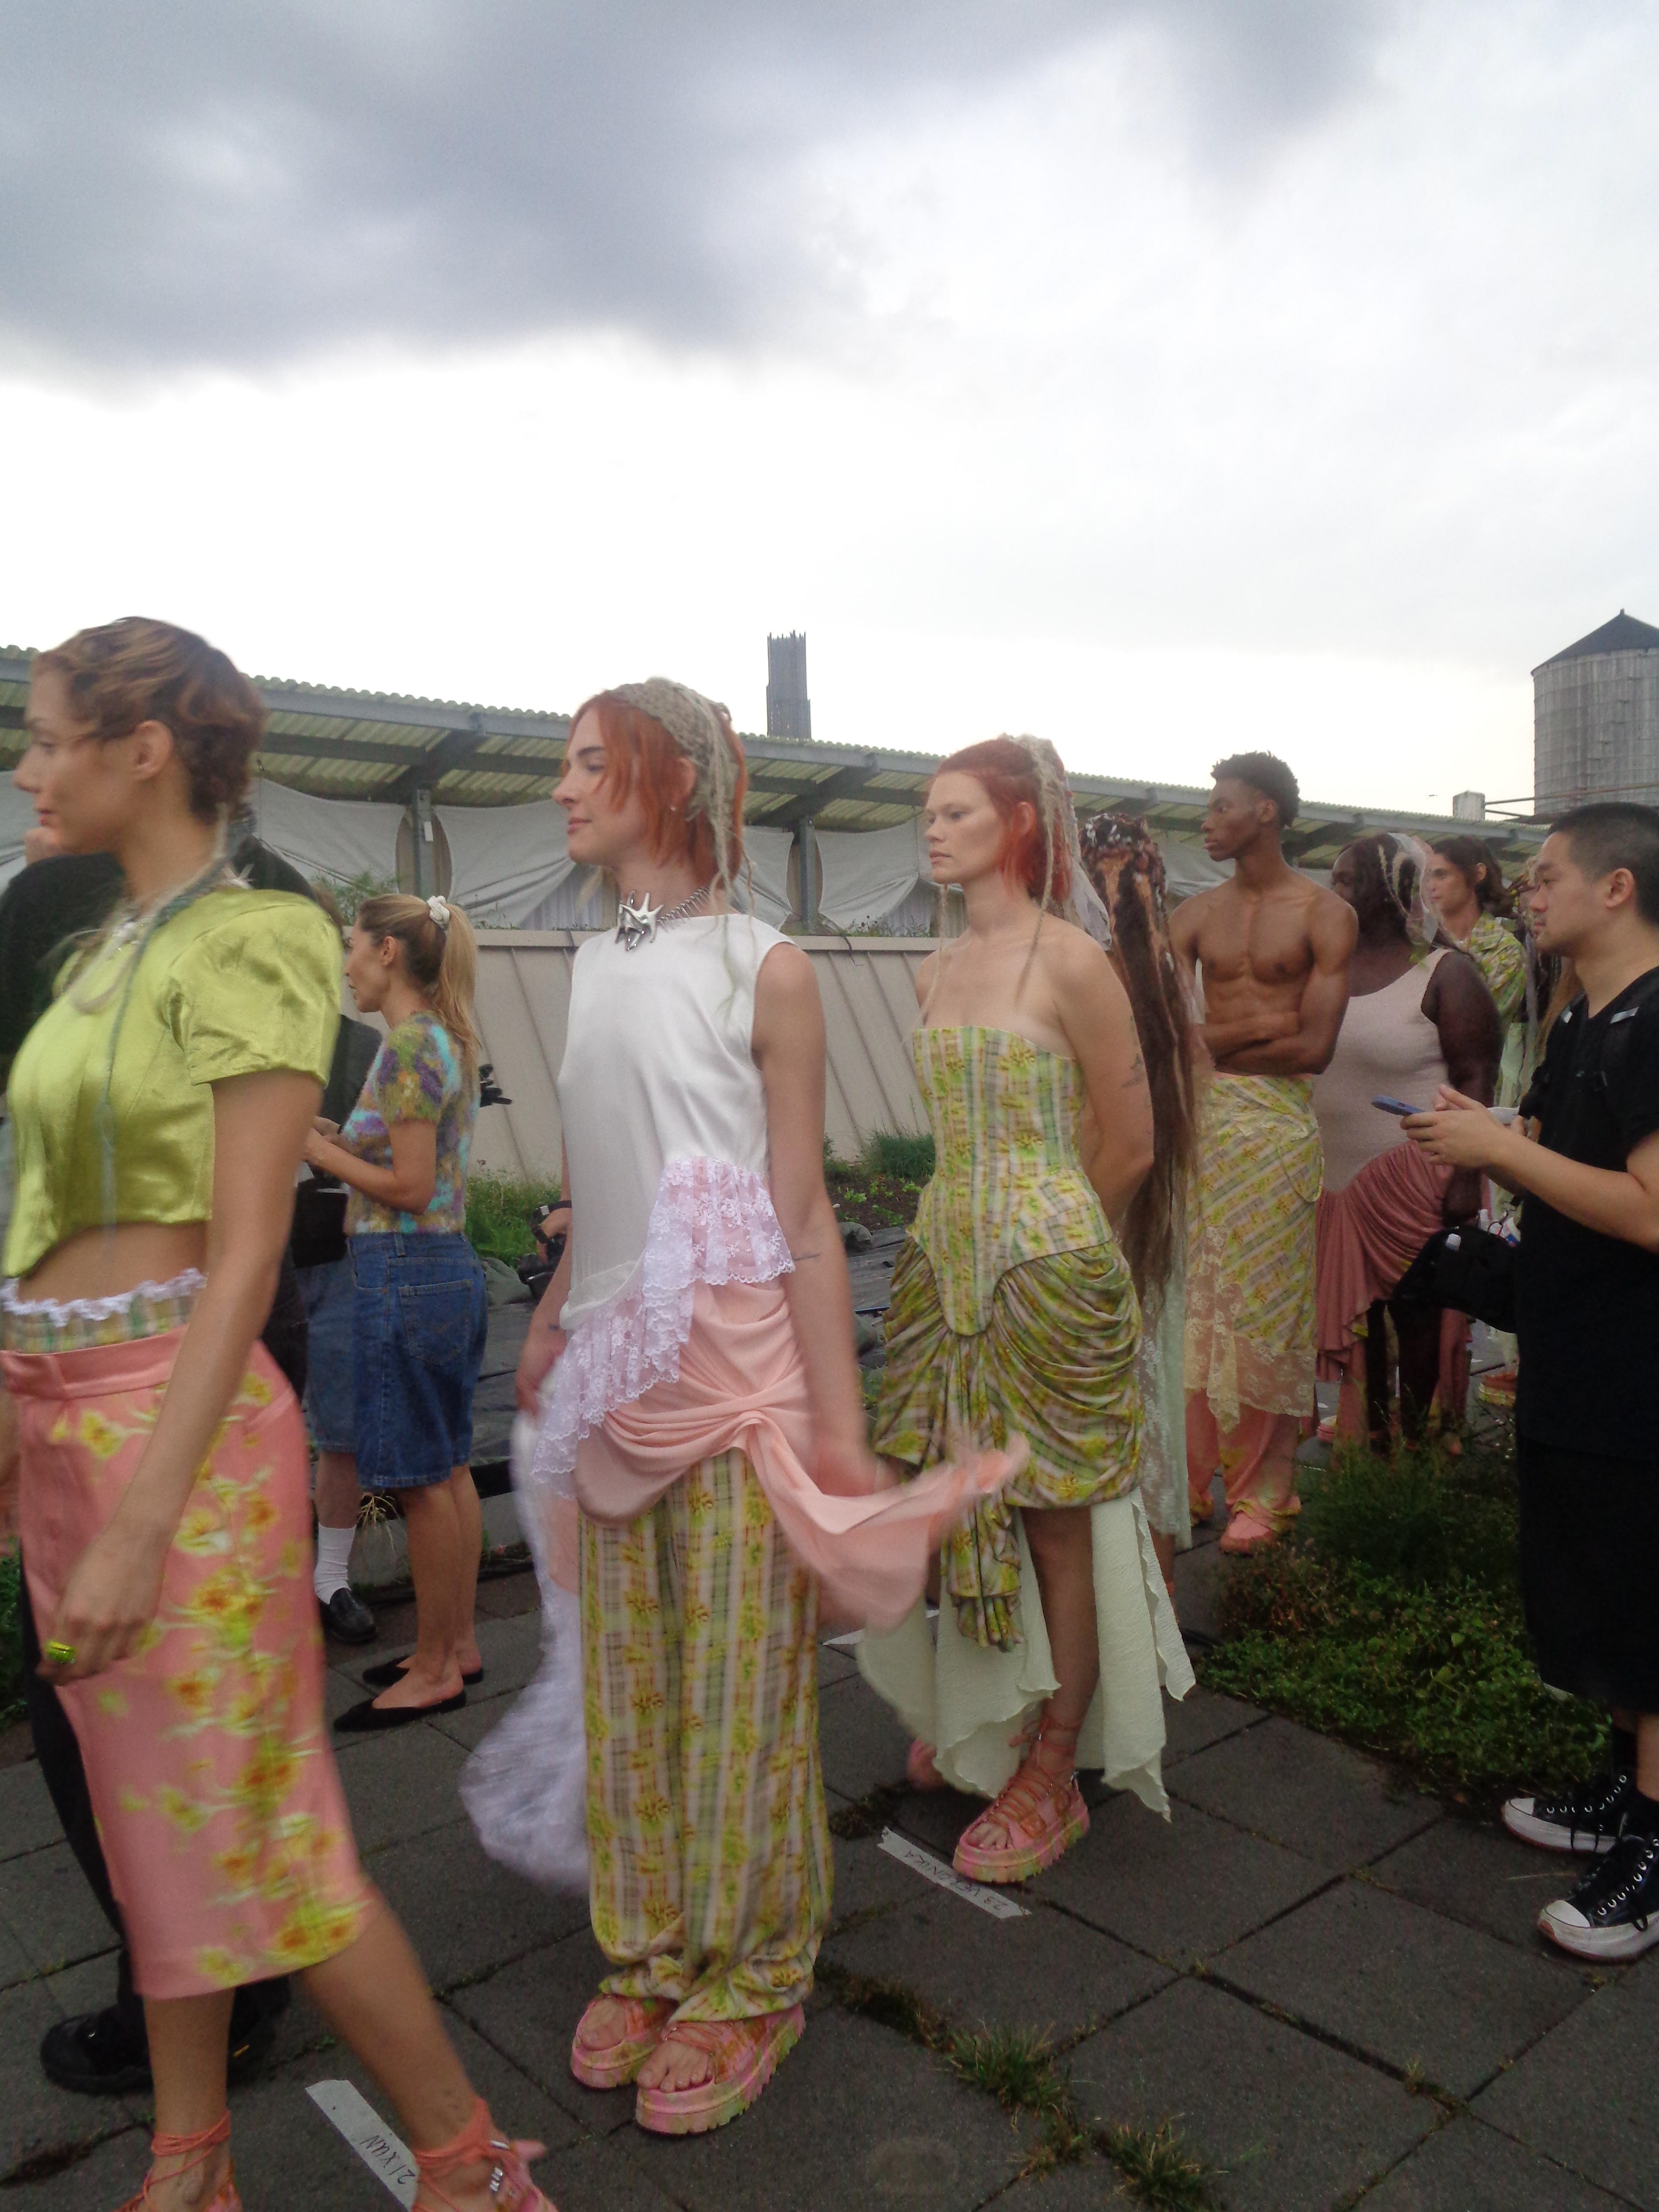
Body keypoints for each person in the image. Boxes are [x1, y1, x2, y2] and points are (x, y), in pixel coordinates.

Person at [0, 619, 556, 2212]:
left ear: (144, 750)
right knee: (147, 1826)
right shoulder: (103, 944)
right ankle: (192, 2157)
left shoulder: (251, 938)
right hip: (67, 1423)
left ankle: (465, 2164)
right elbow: (41, 1215)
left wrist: (141, 1521)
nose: (29, 769)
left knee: (262, 1847)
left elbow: (248, 1255)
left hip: (172, 1444)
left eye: (50, 736)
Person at [505, 680, 1012, 2135]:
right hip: (618, 1384)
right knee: (631, 1693)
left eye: (589, 763)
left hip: (739, 1391)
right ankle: (651, 1951)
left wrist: (836, 1428)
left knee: (740, 1701)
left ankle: (754, 1975)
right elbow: (602, 1175)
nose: (562, 789)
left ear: (669, 780)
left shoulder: (767, 969)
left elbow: (799, 1214)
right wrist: (550, 1318)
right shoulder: (594, 963)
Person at [0, 814, 323, 2098]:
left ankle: (202, 1994)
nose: (32, 781)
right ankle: (235, 1989)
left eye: (54, 741)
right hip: (220, 1330)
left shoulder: (61, 904)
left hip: (128, 1352)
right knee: (219, 1691)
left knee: (98, 1696)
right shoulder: (258, 885)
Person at [861, 740, 1192, 1883]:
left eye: (955, 812)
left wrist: (1049, 1248)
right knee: (955, 1501)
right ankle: (991, 1716)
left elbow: (1133, 1142)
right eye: (928, 812)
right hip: (942, 1259)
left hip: (1047, 1271)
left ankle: (1054, 1770)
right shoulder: (933, 968)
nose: (932, 829)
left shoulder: (1075, 962)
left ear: (1017, 823)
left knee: (1056, 1520)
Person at [1407, 801, 1659, 1961]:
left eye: (1550, 875)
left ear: (1618, 888)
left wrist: (1502, 1152)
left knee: (1646, 1604)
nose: (1530, 892)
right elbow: (1572, 1146)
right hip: (1580, 1353)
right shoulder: (1584, 1018)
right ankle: (1623, 1788)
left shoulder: (1654, 1022)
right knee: (1603, 1590)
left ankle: (1652, 1851)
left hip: (1638, 1367)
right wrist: (1496, 1123)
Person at [303, 894, 490, 1728]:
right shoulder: (440, 1039)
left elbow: (411, 1188)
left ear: (386, 952)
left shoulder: (410, 1044)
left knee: (419, 1483)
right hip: (442, 1269)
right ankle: (456, 1645)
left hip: (406, 1269)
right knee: (448, 1470)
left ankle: (437, 1667)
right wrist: (339, 1140)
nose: (345, 965)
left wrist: (312, 1148)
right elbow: (414, 1161)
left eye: (351, 947)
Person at [1170, 753, 1356, 1551]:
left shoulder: (1324, 914)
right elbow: (1166, 1034)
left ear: (1267, 813)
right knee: (1192, 1302)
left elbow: (1314, 1047)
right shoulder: (1194, 915)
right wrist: (1255, 1026)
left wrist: (1211, 1042)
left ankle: (1266, 1491)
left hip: (1276, 1127)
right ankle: (1188, 1481)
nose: (1208, 820)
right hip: (1202, 1127)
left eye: (1222, 806)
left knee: (1268, 1308)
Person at [1314, 836, 1500, 1445]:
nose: (1334, 894)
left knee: (1419, 1317)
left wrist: (1467, 1179)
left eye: (1347, 882)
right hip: (1340, 1184)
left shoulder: (1447, 973)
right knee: (1364, 1321)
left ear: (1390, 891)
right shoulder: (1329, 968)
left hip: (1417, 1178)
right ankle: (1371, 1444)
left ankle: (1418, 1453)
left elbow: (1477, 1077)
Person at [1078, 808, 1202, 1598]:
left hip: (1096, 1187)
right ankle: (1153, 1609)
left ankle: (1111, 1605)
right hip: (1155, 1200)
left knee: (1105, 1392)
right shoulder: (1167, 968)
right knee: (1149, 1387)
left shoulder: (1089, 969)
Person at [290, 887, 384, 1649]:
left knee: (341, 1431)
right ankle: (267, 1578)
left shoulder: (364, 1048)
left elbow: (395, 1159)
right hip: (258, 1262)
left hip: (340, 1258)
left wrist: (328, 1143)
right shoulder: (227, 1034)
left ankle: (331, 1579)